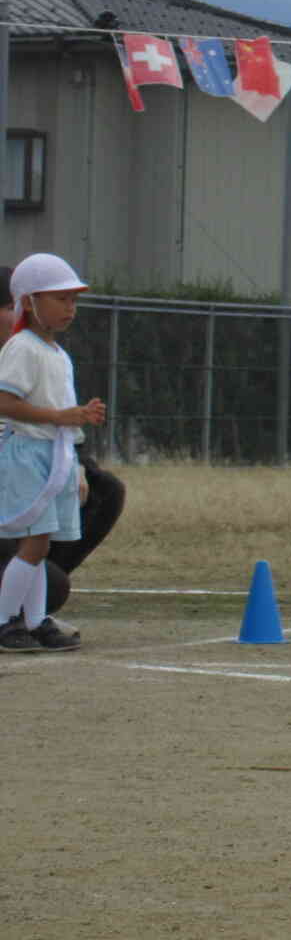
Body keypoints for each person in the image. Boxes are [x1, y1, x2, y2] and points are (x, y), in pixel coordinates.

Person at [0, 254, 106, 651]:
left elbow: (59, 409)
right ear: (28, 302)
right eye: (60, 299)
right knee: (34, 542)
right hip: (28, 454)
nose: (70, 308)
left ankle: (34, 620)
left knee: (41, 543)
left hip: (54, 455)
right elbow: (4, 402)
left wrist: (80, 416)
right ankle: (6, 620)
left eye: (73, 301)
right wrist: (59, 416)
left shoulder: (58, 355)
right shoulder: (22, 348)